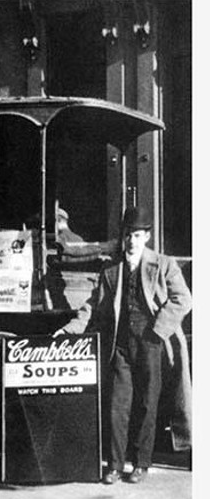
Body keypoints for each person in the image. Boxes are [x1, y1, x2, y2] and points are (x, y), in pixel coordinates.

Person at [54, 206, 192, 484]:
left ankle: (141, 464)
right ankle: (115, 465)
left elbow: (183, 299)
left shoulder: (164, 265)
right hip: (121, 346)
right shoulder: (111, 269)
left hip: (152, 344)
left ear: (147, 237)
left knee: (146, 405)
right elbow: (94, 306)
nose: (132, 241)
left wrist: (157, 330)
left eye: (137, 235)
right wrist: (71, 328)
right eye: (128, 235)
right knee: (118, 405)